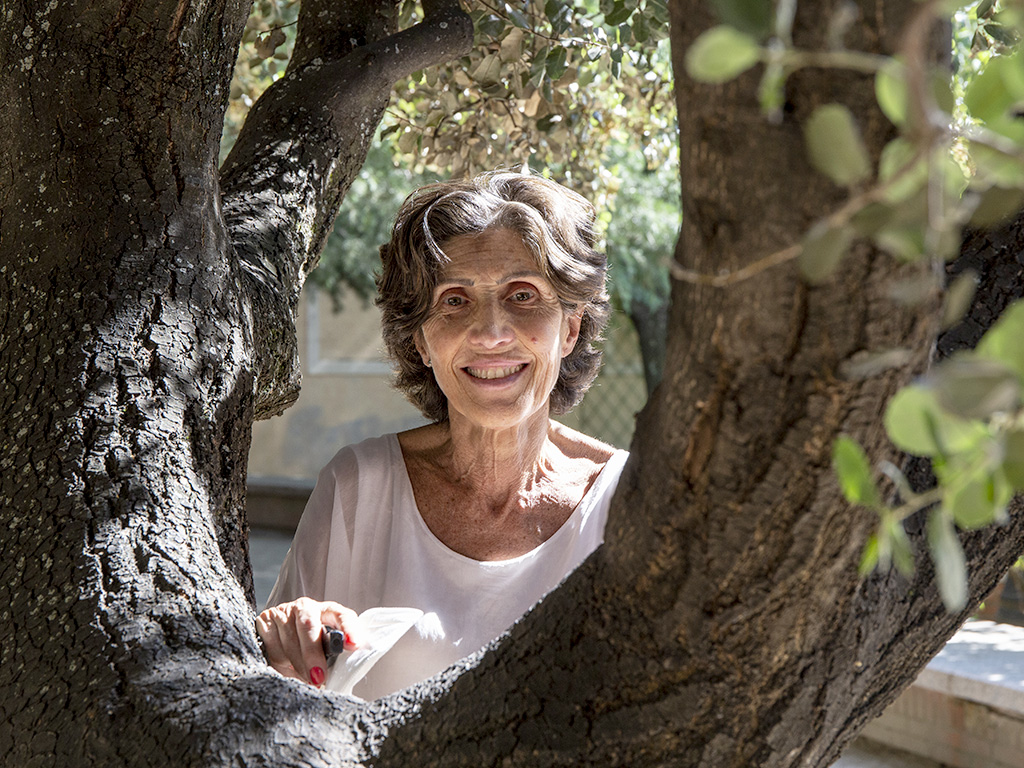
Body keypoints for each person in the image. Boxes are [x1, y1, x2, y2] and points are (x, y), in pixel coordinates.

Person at [257, 170, 629, 699]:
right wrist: (290, 634)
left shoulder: (627, 501)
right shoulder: (360, 488)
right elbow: (286, 691)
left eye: (523, 295)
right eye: (454, 300)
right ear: (422, 342)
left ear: (569, 329)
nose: (491, 332)